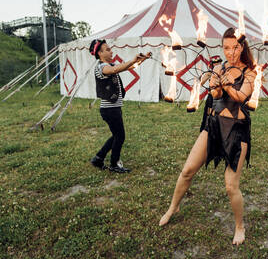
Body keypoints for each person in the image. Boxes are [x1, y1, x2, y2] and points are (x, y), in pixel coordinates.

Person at [159, 28, 256, 245]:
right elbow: (215, 95)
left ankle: (240, 226)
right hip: (213, 126)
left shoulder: (250, 71)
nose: (230, 52)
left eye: (235, 47)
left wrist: (225, 83)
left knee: (231, 185)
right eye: (226, 48)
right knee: (186, 171)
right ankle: (172, 208)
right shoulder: (220, 67)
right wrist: (215, 86)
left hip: (236, 130)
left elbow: (241, 96)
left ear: (242, 47)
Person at [89, 39, 150, 173]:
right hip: (109, 110)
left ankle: (98, 158)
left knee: (116, 135)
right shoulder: (101, 67)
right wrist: (133, 60)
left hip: (113, 108)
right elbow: (115, 69)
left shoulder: (110, 65)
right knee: (120, 136)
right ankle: (114, 164)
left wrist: (142, 60)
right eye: (107, 49)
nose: (111, 51)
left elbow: (128, 67)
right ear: (99, 53)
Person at [199, 55, 222, 132]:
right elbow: (200, 83)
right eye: (215, 63)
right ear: (212, 64)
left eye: (218, 62)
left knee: (220, 115)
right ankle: (207, 130)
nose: (217, 64)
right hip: (211, 96)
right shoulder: (209, 72)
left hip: (221, 97)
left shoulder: (225, 71)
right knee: (209, 114)